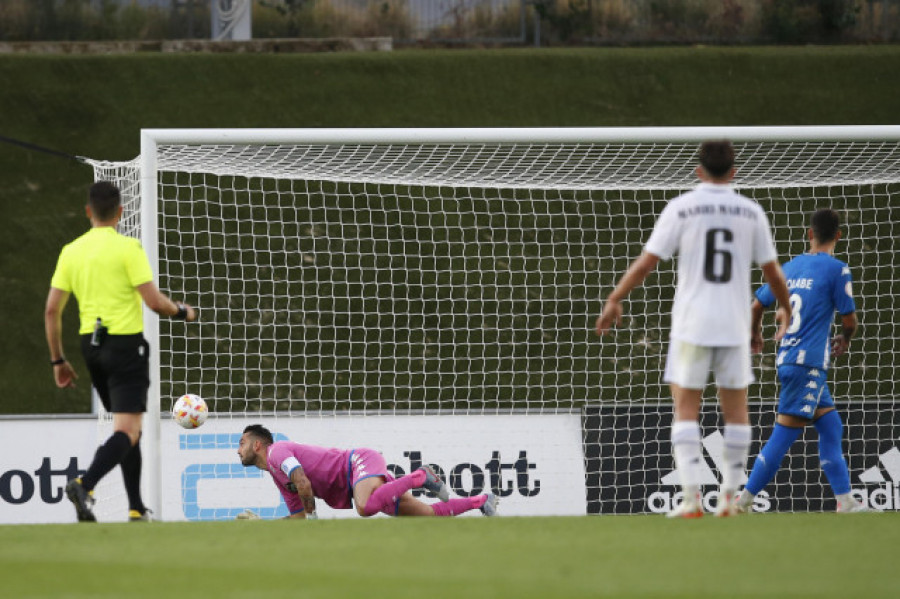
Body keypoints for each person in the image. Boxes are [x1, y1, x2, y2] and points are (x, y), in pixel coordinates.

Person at [595, 140, 792, 518]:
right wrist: (785, 308)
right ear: (734, 172)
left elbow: (645, 264)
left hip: (691, 323)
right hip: (733, 323)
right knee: (736, 412)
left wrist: (615, 297)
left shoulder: (682, 207)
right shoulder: (750, 212)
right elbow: (773, 272)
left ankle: (690, 499)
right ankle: (731, 499)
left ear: (698, 171)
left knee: (686, 408)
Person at [45, 181, 197, 522]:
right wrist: (183, 311)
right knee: (127, 431)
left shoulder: (71, 250)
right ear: (121, 213)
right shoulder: (128, 248)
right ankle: (85, 484)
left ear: (87, 212)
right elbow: (155, 303)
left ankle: (136, 507)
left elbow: (52, 310)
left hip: (91, 349)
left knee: (129, 428)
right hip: (125, 347)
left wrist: (58, 360)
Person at [734, 208, 867, 513]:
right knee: (784, 433)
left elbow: (756, 306)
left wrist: (755, 333)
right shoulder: (837, 269)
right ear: (838, 236)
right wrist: (845, 339)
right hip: (808, 364)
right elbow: (849, 321)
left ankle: (845, 501)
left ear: (809, 234)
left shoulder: (789, 268)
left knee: (831, 425)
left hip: (791, 359)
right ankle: (743, 502)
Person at [237, 424, 499, 519]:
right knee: (427, 514)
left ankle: (420, 476)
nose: (238, 450)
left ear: (258, 444)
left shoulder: (278, 452)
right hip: (356, 481)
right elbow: (297, 519)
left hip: (357, 462)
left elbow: (303, 482)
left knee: (365, 508)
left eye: (242, 443)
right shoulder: (277, 476)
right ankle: (481, 501)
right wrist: (265, 526)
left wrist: (313, 518)